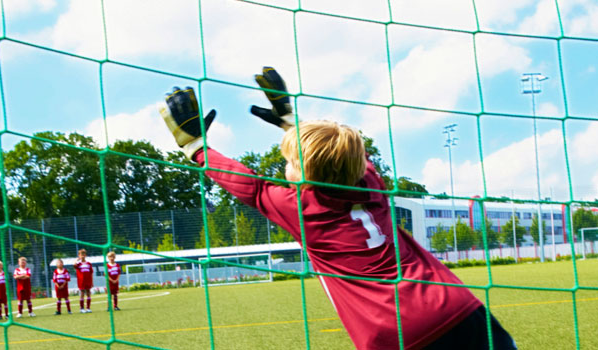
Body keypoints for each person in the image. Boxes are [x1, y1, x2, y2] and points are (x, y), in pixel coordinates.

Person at [157, 67, 515, 349]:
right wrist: (291, 120)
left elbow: (247, 183)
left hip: (396, 336)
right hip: (457, 308)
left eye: (290, 162)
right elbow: (344, 153)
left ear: (305, 176)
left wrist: (195, 145)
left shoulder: (301, 207)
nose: (286, 167)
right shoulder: (373, 183)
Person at [73, 249, 93, 313]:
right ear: (79, 255)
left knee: (88, 293)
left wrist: (92, 282)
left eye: (84, 254)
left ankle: (88, 308)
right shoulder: (78, 264)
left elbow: (91, 273)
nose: (83, 256)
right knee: (82, 293)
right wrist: (77, 260)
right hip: (81, 281)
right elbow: (74, 265)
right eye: (81, 255)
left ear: (86, 255)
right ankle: (81, 308)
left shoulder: (89, 264)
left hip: (88, 281)